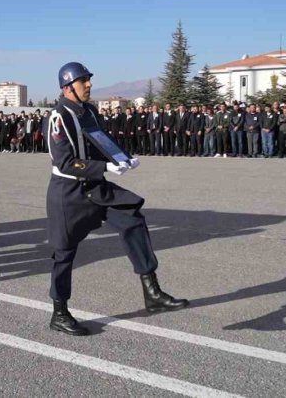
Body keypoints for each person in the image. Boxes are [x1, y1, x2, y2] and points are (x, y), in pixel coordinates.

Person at [45, 62, 188, 336]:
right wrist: (106, 168)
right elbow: (64, 163)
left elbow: (101, 140)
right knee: (64, 253)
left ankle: (152, 292)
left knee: (132, 217)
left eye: (88, 80)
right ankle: (59, 312)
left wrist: (121, 158)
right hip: (69, 193)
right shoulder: (58, 117)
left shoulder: (89, 111)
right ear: (67, 87)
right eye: (82, 81)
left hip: (97, 187)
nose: (88, 85)